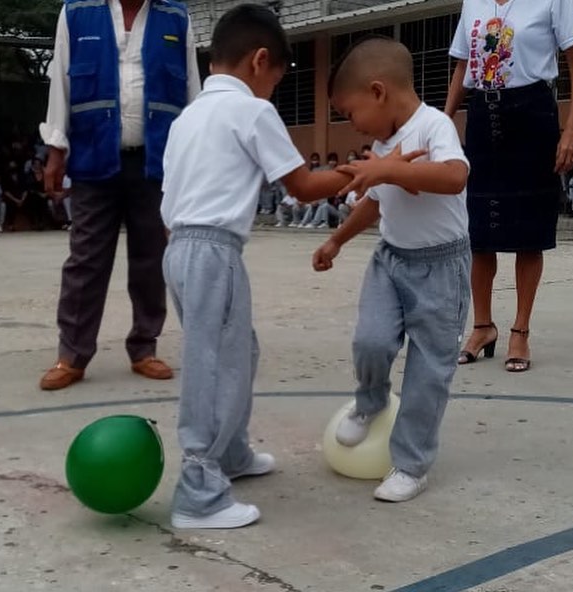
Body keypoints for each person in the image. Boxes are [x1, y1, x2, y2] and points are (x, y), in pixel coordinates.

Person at [160, 4, 359, 529]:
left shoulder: (187, 117)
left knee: (236, 352)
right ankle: (199, 490)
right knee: (213, 365)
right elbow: (303, 186)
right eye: (278, 77)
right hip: (213, 250)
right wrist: (364, 171)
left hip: (179, 248)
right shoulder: (251, 111)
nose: (274, 88)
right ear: (259, 60)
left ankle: (230, 452)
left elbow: (170, 196)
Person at [313, 37, 471, 503]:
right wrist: (336, 240)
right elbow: (374, 204)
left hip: (441, 268)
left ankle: (411, 464)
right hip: (391, 260)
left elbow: (455, 176)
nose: (353, 125)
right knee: (371, 340)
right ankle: (371, 401)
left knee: (428, 372)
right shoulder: (383, 148)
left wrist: (389, 171)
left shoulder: (434, 125)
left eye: (350, 113)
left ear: (378, 91)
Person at [39, 0, 201, 390]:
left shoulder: (176, 18)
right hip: (93, 157)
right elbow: (61, 83)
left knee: (152, 259)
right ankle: (72, 355)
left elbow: (192, 93)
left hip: (157, 160)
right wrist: (56, 150)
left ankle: (144, 347)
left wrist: (196, 157)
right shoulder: (76, 13)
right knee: (85, 260)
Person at [445, 0, 573, 372]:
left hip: (532, 115)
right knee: (480, 230)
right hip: (482, 115)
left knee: (529, 230)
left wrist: (572, 127)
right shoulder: (473, 3)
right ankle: (482, 327)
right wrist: (443, 123)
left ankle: (520, 330)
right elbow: (463, 65)